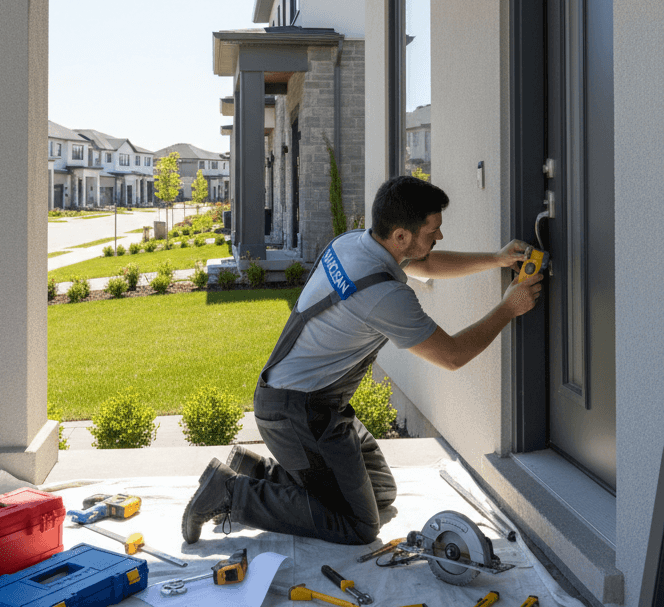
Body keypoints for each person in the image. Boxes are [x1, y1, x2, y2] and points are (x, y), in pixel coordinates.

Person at [181, 174, 543, 547]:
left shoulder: (354, 243)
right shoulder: (385, 295)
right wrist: (509, 308)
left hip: (311, 402)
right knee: (357, 524)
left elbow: (428, 265)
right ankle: (228, 494)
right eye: (433, 230)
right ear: (401, 236)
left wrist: (497, 259)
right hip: (299, 413)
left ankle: (255, 470)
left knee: (381, 493)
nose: (439, 236)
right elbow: (451, 357)